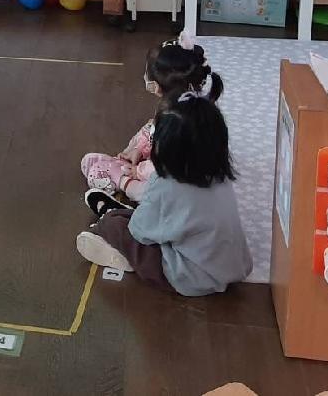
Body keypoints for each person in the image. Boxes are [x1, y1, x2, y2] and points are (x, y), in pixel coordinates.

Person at [75, 98, 252, 297]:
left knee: (113, 223)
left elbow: (138, 231)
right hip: (234, 266)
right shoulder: (219, 175)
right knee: (157, 218)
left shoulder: (167, 186)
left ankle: (114, 235)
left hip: (191, 278)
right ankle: (122, 216)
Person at [81, 32, 223, 209]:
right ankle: (123, 166)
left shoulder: (177, 119)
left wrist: (139, 172)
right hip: (181, 171)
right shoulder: (194, 105)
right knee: (147, 131)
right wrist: (139, 151)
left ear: (156, 86)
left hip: (179, 187)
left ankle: (121, 181)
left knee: (146, 189)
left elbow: (168, 166)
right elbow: (153, 132)